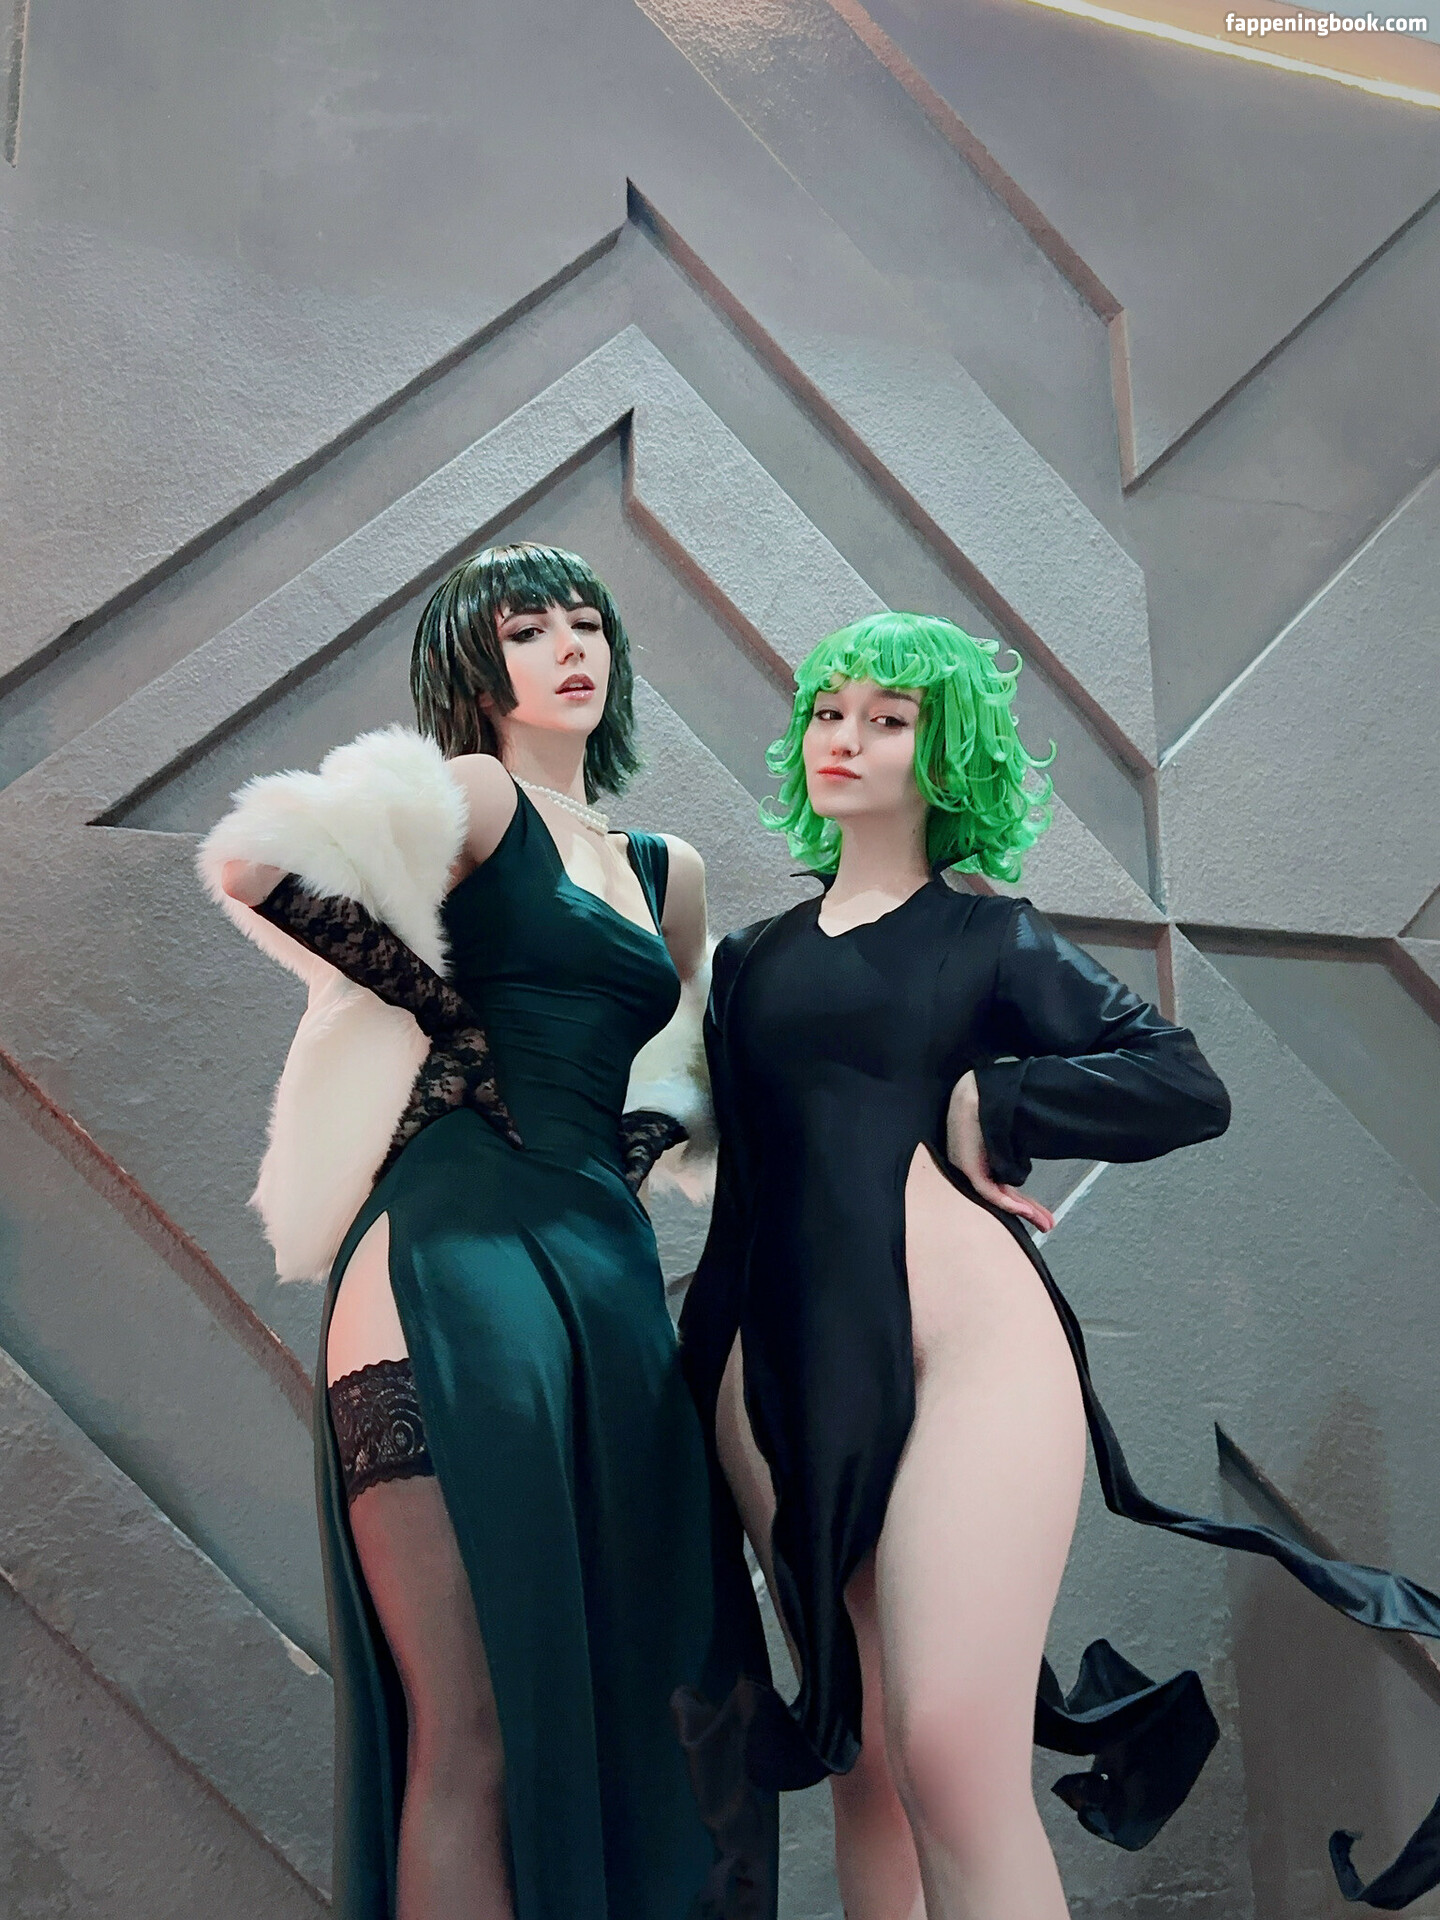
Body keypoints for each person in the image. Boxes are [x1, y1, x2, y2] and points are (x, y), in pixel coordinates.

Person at [678, 610, 1440, 1919]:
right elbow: (738, 1201)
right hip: (780, 1372)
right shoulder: (751, 962)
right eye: (827, 712)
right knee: (864, 1766)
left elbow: (1183, 1083)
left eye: (888, 719)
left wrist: (1002, 1102)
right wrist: (694, 1396)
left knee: (949, 1754)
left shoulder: (992, 940)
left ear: (947, 754)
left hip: (971, 1351)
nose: (844, 738)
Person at [200, 543, 774, 1920]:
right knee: (471, 1732)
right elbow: (255, 861)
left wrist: (647, 1135)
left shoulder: (669, 870)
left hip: (606, 1273)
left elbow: (685, 1063)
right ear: (476, 665)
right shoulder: (474, 791)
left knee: (644, 1708)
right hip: (454, 1240)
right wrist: (446, 1017)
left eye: (587, 623)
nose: (570, 648)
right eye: (527, 630)